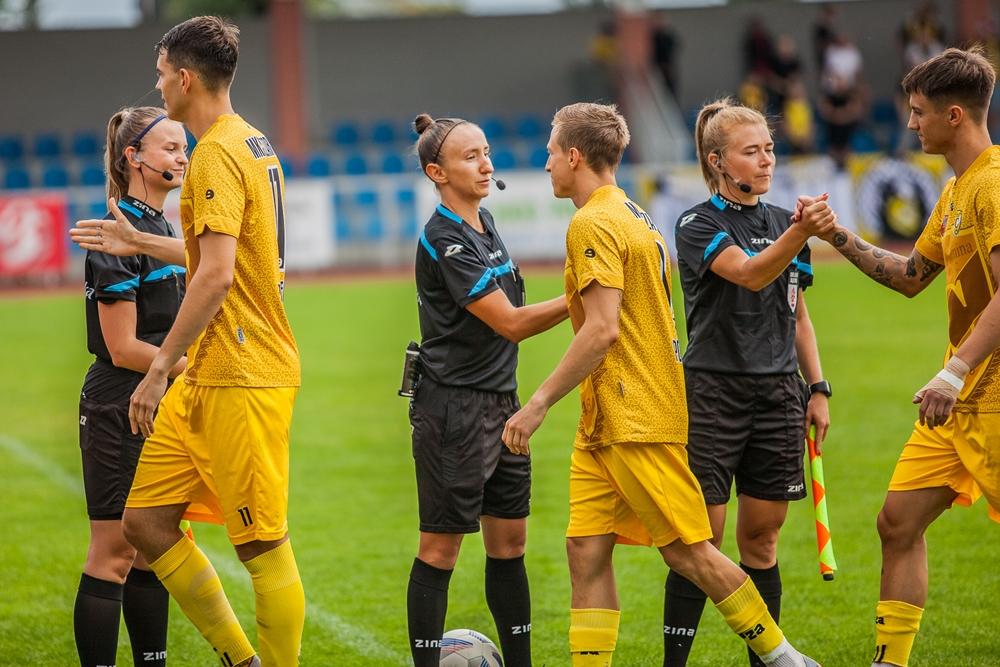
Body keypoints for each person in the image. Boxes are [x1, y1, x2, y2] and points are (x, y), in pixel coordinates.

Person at [502, 102, 820, 667]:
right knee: (585, 549)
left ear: (573, 156)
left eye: (550, 153)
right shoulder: (634, 214)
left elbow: (602, 330)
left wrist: (538, 402)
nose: (546, 163)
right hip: (606, 417)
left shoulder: (592, 222)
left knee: (690, 552)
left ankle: (785, 659)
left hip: (636, 414)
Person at [95, 17, 302, 667]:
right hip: (212, 371)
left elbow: (215, 276)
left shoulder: (214, 152)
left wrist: (158, 370)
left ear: (185, 79)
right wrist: (140, 241)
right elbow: (218, 253)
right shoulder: (252, 141)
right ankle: (243, 659)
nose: (157, 87)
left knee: (261, 546)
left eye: (161, 75)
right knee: (144, 523)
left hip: (245, 369)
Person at [810, 47, 1000, 667]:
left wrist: (954, 370)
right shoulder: (956, 190)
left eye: (919, 112)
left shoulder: (993, 184)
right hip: (957, 404)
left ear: (954, 116)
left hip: (984, 396)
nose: (911, 123)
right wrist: (836, 235)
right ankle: (889, 662)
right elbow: (912, 276)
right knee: (897, 523)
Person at [665, 98, 835, 667]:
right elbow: (750, 273)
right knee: (701, 543)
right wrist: (800, 233)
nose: (766, 161)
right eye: (751, 151)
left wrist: (817, 388)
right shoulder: (697, 223)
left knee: (761, 540)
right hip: (712, 394)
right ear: (717, 161)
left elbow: (798, 314)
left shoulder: (785, 221)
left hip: (779, 394)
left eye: (769, 149)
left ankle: (767, 662)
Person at [406, 113, 569, 667]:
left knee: (510, 544)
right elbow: (511, 322)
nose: (486, 164)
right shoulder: (443, 237)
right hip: (453, 409)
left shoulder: (486, 222)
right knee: (441, 548)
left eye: (486, 153)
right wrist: (585, 293)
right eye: (470, 156)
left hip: (503, 404)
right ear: (437, 172)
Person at [73, 106, 187, 667]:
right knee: (114, 553)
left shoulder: (162, 229)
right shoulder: (115, 232)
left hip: (161, 401)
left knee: (151, 549)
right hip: (120, 403)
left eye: (184, 147)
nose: (183, 157)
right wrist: (195, 369)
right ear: (133, 157)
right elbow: (122, 348)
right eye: (171, 148)